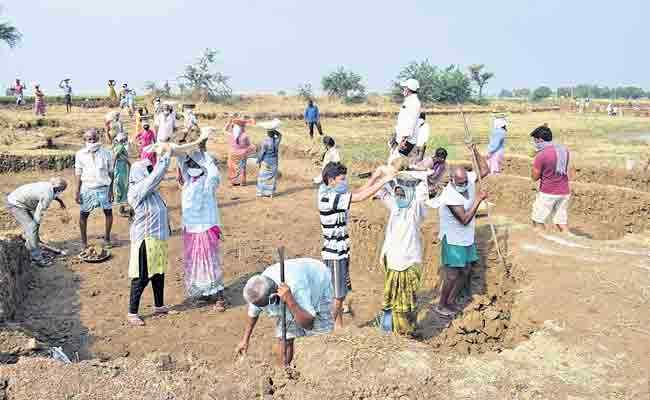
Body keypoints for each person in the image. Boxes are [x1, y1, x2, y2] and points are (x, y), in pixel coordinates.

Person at [319, 162, 397, 330]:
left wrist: (375, 177)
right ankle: (332, 327)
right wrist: (384, 181)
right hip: (335, 255)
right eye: (342, 179)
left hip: (341, 251)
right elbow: (360, 197)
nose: (344, 182)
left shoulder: (332, 191)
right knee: (338, 296)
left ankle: (337, 323)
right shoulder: (330, 198)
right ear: (331, 180)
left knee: (339, 294)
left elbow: (357, 192)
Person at [236, 258, 335, 365]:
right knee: (284, 338)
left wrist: (290, 300)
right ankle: (282, 374)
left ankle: (323, 369)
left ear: (273, 298)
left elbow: (309, 324)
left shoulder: (296, 285)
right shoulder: (256, 290)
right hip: (287, 294)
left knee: (320, 336)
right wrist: (245, 340)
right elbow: (253, 313)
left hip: (319, 282)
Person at [431, 144, 489, 317]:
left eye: (465, 181)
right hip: (454, 239)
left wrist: (475, 151)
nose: (464, 185)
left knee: (466, 270)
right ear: (452, 180)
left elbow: (484, 170)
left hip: (467, 237)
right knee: (452, 274)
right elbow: (464, 219)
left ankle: (451, 301)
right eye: (460, 183)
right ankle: (441, 304)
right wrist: (478, 200)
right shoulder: (450, 196)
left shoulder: (469, 180)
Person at [375, 173, 428, 335]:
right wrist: (387, 175)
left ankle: (405, 331)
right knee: (391, 297)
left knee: (407, 300)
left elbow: (423, 188)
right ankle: (388, 329)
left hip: (409, 261)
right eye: (396, 194)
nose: (398, 197)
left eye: (402, 194)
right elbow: (382, 191)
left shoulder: (416, 209)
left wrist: (414, 174)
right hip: (392, 260)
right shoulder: (395, 207)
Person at [126, 151, 173, 326]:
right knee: (141, 276)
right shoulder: (137, 190)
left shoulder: (153, 192)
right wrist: (165, 157)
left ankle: (159, 306)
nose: (151, 171)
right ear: (140, 173)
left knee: (159, 274)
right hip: (145, 240)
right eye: (148, 169)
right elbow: (155, 177)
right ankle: (132, 312)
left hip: (158, 239)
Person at [178, 147, 227, 311]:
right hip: (191, 229)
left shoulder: (208, 182)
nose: (190, 165)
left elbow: (214, 173)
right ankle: (206, 293)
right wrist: (185, 151)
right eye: (190, 162)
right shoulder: (187, 182)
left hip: (205, 228)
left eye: (194, 163)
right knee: (197, 263)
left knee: (209, 261)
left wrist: (203, 155)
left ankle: (219, 297)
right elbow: (180, 160)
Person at [5, 178, 68, 267]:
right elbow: (39, 212)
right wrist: (35, 226)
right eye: (61, 190)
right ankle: (36, 257)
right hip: (16, 204)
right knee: (32, 226)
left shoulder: (49, 185)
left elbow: (54, 194)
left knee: (33, 228)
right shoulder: (47, 195)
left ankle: (35, 242)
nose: (61, 192)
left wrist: (60, 201)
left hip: (18, 198)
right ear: (58, 188)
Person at [74, 129, 114, 250]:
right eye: (89, 139)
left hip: (104, 188)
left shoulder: (106, 153)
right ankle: (84, 242)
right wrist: (77, 191)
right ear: (85, 140)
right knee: (83, 214)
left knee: (108, 212)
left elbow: (111, 173)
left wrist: (111, 190)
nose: (92, 141)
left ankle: (107, 238)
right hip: (87, 188)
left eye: (94, 138)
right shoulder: (80, 154)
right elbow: (78, 172)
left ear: (98, 138)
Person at [530, 125, 571, 233]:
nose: (534, 143)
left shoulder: (541, 155)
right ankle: (570, 240)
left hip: (548, 192)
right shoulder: (564, 150)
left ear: (540, 139)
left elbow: (534, 177)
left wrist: (534, 163)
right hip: (564, 191)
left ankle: (541, 240)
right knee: (561, 221)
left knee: (538, 220)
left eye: (535, 140)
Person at [389, 79, 421, 163]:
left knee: (393, 163)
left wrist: (404, 139)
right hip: (403, 138)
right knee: (393, 160)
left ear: (409, 89)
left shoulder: (414, 102)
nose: (403, 89)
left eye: (404, 88)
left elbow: (411, 122)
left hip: (407, 140)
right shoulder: (409, 100)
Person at [225, 117, 256, 186]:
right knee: (241, 168)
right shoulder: (245, 136)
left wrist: (228, 123)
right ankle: (242, 182)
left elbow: (224, 130)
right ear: (242, 128)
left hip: (232, 153)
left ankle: (234, 181)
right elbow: (249, 145)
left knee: (233, 167)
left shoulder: (231, 134)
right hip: (242, 154)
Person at [256, 120, 282, 197]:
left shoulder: (265, 142)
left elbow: (262, 153)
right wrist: (274, 130)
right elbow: (280, 135)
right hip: (274, 161)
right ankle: (270, 193)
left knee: (262, 176)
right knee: (272, 177)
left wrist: (259, 160)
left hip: (266, 161)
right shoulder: (276, 140)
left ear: (267, 133)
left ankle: (260, 192)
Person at [112, 132, 131, 216]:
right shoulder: (120, 146)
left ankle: (122, 209)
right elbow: (115, 156)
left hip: (121, 168)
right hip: (121, 168)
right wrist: (112, 167)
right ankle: (121, 210)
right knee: (121, 186)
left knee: (122, 186)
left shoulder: (117, 146)